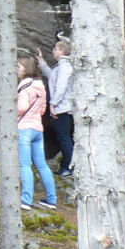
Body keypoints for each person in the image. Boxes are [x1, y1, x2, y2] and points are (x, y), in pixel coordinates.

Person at [16, 54, 56, 211]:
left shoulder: (24, 88)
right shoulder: (40, 86)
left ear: (26, 69)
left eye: (18, 67)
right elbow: (43, 109)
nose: (16, 70)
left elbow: (21, 108)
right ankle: (51, 200)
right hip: (37, 129)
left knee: (25, 164)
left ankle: (26, 200)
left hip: (24, 129)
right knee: (42, 165)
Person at [36, 38, 74, 176]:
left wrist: (53, 104)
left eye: (55, 49)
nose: (53, 51)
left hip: (63, 108)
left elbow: (61, 87)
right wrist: (41, 61)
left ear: (61, 51)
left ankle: (68, 167)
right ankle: (67, 166)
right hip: (61, 107)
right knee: (63, 137)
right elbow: (50, 75)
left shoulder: (65, 67)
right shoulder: (60, 67)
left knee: (64, 138)